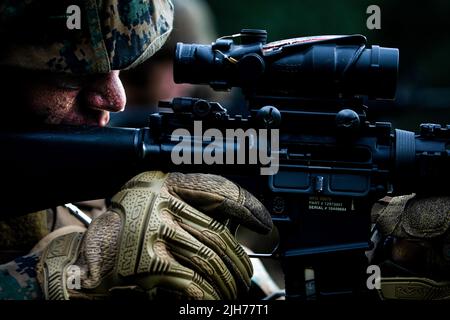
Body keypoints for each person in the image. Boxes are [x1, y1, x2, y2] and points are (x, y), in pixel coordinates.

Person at [0, 0, 272, 300]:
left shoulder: (77, 175)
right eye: (74, 73)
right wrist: (70, 275)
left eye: (121, 68)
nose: (117, 100)